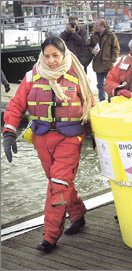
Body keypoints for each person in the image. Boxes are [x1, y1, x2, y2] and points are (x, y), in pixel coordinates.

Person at [2, 36, 95, 253]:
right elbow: (16, 104)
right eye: (47, 56)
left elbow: (91, 107)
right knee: (58, 184)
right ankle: (78, 214)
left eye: (56, 56)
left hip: (70, 138)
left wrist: (97, 137)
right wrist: (8, 132)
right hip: (42, 138)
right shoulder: (32, 76)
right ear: (42, 56)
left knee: (59, 183)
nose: (52, 61)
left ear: (64, 55)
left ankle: (50, 236)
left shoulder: (78, 75)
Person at [88, 18, 120, 101]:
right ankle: (102, 100)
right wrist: (92, 51)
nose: (95, 27)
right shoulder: (94, 35)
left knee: (109, 83)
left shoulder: (111, 35)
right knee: (100, 84)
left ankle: (110, 100)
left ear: (102, 26)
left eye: (97, 25)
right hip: (97, 63)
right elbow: (89, 46)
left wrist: (112, 60)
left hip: (107, 64)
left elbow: (116, 48)